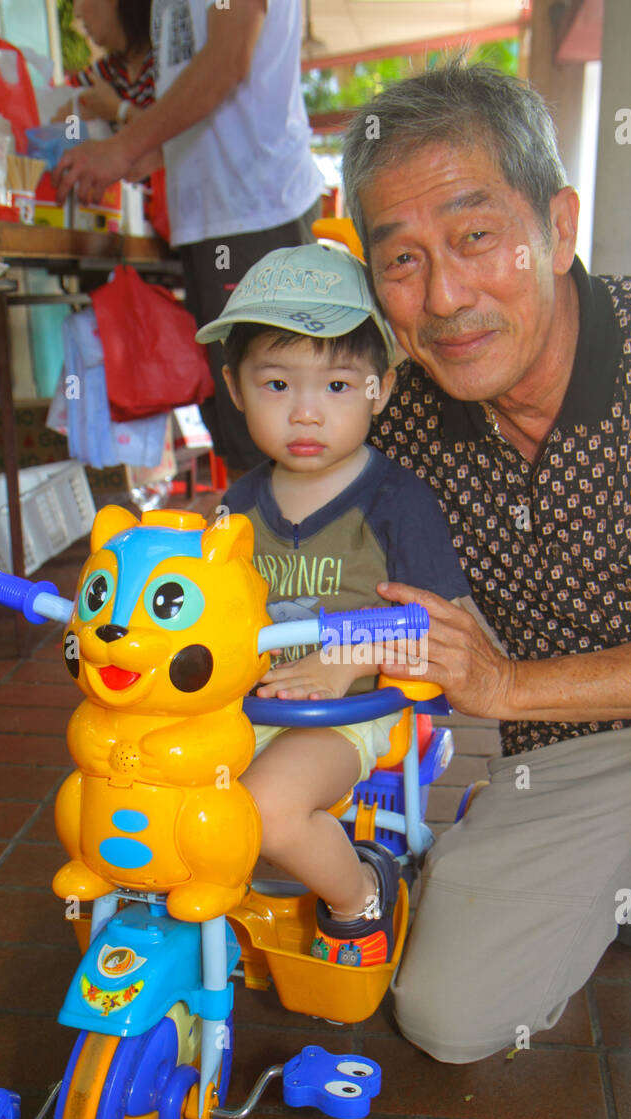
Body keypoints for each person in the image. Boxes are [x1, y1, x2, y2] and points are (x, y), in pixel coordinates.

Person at [335, 59, 631, 1119]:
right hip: (580, 726)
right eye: (399, 260)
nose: (443, 297)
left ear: (556, 224)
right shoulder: (407, 424)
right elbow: (337, 572)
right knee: (444, 1018)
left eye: (472, 235)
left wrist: (500, 685)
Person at [196, 243, 472, 961]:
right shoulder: (236, 508)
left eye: (340, 387)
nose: (308, 412)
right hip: (242, 705)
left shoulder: (397, 503)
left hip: (346, 715)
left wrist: (346, 658)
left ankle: (359, 899)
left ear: (381, 388)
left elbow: (444, 628)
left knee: (267, 807)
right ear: (236, 387)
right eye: (279, 385)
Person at [52, 0, 324, 473]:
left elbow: (226, 64)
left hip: (253, 209)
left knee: (274, 426)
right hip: (217, 216)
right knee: (238, 422)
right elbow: (212, 90)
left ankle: (285, 544)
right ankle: (251, 541)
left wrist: (124, 146)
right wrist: (152, 152)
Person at [54, 0, 155, 127]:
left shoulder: (164, 65)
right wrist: (70, 122)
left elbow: (171, 141)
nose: (76, 13)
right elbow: (56, 109)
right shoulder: (109, 69)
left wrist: (119, 110)